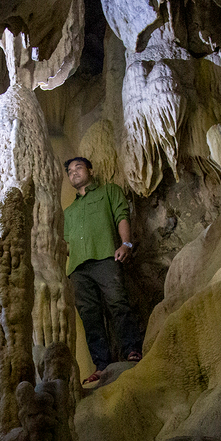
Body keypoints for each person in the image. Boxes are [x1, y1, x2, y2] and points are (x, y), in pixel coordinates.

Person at [62, 156, 143, 385]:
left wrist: (126, 243)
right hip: (78, 268)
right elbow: (67, 244)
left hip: (106, 256)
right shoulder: (69, 212)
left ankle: (131, 350)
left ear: (90, 169)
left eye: (78, 168)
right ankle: (102, 364)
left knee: (118, 303)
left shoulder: (109, 191)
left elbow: (121, 216)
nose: (74, 173)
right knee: (90, 316)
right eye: (70, 171)